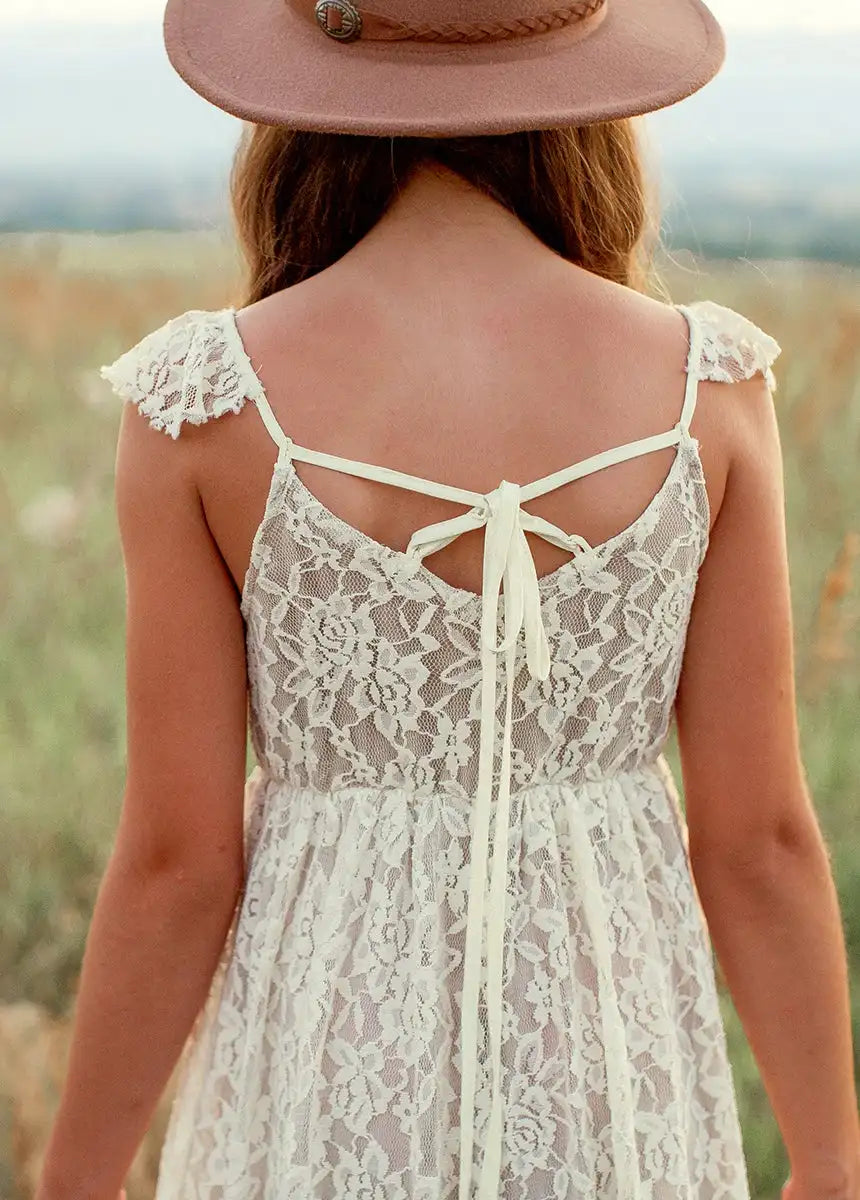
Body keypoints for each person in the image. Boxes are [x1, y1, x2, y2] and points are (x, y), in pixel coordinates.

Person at [35, 0, 860, 1197]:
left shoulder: (205, 404)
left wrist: (77, 1179)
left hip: (320, 1064)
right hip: (606, 1069)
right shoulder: (706, 389)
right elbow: (757, 841)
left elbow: (177, 863)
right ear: (585, 103)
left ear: (302, 105)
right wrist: (830, 1165)